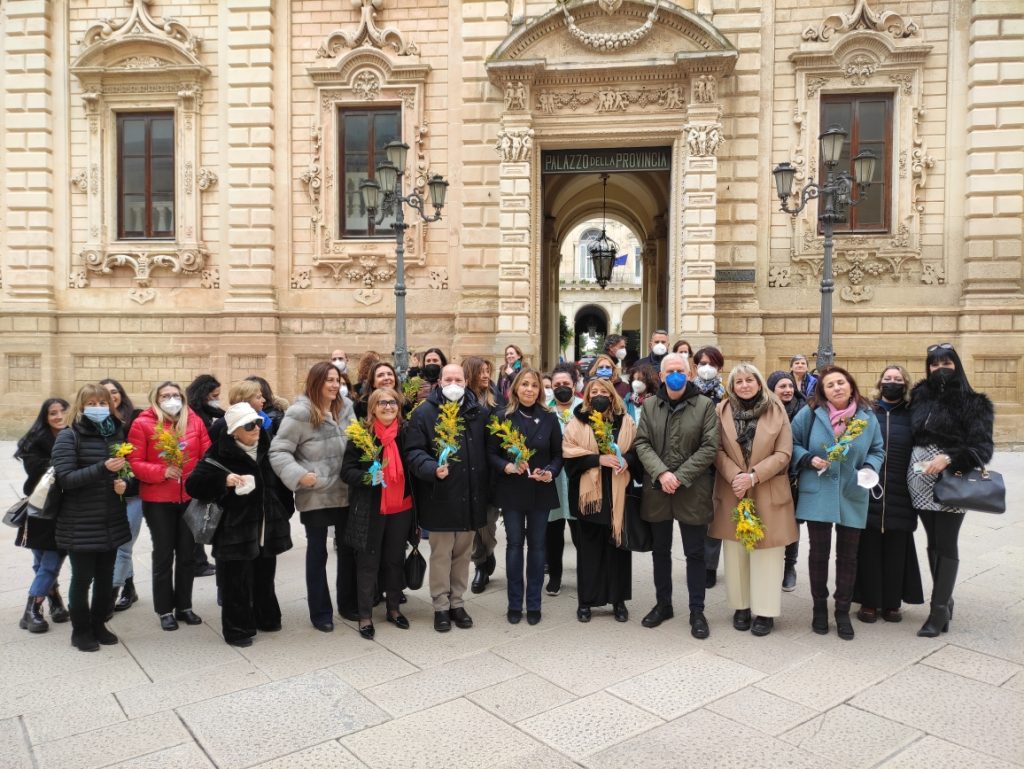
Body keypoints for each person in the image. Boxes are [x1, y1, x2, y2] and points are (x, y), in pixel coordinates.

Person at [186, 403, 292, 647]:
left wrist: (283, 511)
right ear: (234, 431)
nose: (256, 428)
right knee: (236, 581)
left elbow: (279, 483)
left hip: (265, 526)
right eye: (248, 425)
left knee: (265, 574)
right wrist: (223, 481)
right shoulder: (219, 453)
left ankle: (266, 617)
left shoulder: (266, 445)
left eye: (257, 422)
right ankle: (238, 629)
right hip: (234, 530)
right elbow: (193, 485)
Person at [790, 365, 884, 640]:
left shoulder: (867, 417)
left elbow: (878, 449)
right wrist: (807, 458)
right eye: (830, 385)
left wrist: (869, 466)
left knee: (848, 555)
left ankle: (842, 609)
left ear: (851, 385)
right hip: (818, 490)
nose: (836, 388)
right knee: (818, 553)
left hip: (851, 491)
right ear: (823, 391)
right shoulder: (810, 413)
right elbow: (792, 442)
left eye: (841, 382)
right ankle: (819, 608)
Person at [908, 342, 994, 638]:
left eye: (946, 363)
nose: (940, 369)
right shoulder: (918, 396)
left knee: (946, 543)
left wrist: (949, 457)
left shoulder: (974, 402)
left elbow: (983, 448)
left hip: (951, 478)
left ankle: (938, 609)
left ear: (956, 364)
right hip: (918, 480)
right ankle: (946, 600)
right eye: (934, 364)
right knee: (932, 542)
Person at [634, 353, 718, 639]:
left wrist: (679, 476)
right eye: (669, 370)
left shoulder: (705, 406)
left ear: (689, 373)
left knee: (695, 553)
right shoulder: (650, 405)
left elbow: (710, 447)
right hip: (658, 490)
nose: (675, 375)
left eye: (680, 370)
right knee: (661, 552)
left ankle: (697, 610)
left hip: (692, 490)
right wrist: (661, 473)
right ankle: (663, 603)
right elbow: (642, 443)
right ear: (661, 375)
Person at [709, 364, 795, 637]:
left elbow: (784, 452)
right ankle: (741, 607)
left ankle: (765, 612)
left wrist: (754, 476)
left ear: (759, 383)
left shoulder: (776, 409)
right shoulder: (720, 410)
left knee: (767, 551)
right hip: (733, 488)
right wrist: (737, 476)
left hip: (767, 487)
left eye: (750, 380)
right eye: (739, 381)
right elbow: (716, 449)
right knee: (735, 551)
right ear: (732, 386)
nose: (744, 385)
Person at [405, 363, 491, 631]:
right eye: (448, 379)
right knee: (441, 554)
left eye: (458, 379)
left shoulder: (479, 412)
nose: (453, 383)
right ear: (440, 382)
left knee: (463, 554)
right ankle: (440, 605)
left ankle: (457, 601)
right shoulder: (424, 414)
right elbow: (414, 451)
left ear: (466, 382)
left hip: (470, 497)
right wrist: (432, 469)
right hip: (440, 495)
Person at [269, 362, 354, 631]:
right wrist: (300, 475)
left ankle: (349, 604)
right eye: (328, 379)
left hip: (348, 491)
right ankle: (320, 613)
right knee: (318, 553)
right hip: (317, 493)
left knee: (349, 551)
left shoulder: (346, 408)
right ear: (315, 382)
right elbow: (279, 451)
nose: (334, 384)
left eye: (337, 379)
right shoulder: (299, 412)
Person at [51, 384, 132, 651]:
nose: (98, 407)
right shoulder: (69, 436)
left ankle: (99, 624)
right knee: (82, 577)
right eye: (92, 403)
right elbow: (66, 479)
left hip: (111, 516)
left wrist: (122, 483)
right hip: (80, 520)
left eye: (102, 402)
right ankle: (81, 630)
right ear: (81, 405)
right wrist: (102, 468)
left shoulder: (115, 432)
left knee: (106, 577)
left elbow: (122, 472)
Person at [128, 381, 211, 631]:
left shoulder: (194, 421)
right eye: (166, 396)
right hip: (158, 501)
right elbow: (134, 461)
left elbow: (207, 454)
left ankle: (184, 605)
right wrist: (162, 471)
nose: (172, 399)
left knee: (187, 555)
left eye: (176, 395)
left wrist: (200, 476)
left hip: (189, 498)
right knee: (163, 555)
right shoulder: (142, 423)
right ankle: (164, 609)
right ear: (156, 399)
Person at [487, 368, 563, 626]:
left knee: (539, 546)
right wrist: (506, 466)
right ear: (515, 388)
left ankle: (534, 603)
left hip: (540, 490)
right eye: (525, 385)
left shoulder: (549, 418)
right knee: (515, 544)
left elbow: (558, 455)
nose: (529, 389)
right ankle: (514, 603)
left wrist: (550, 472)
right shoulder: (502, 417)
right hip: (512, 491)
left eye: (534, 385)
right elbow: (491, 453)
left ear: (540, 390)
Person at [341, 388, 416, 639]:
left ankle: (393, 609)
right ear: (373, 408)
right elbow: (346, 471)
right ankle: (365, 616)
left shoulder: (405, 434)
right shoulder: (362, 436)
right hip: (372, 510)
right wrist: (367, 477)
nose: (388, 407)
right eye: (382, 403)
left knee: (394, 561)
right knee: (368, 563)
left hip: (401, 508)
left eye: (393, 402)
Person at [562, 377, 637, 623]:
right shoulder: (577, 423)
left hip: (618, 494)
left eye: (602, 391)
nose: (598, 395)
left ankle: (618, 600)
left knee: (618, 549)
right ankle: (587, 601)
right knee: (589, 551)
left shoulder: (625, 422)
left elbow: (637, 451)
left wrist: (627, 460)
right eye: (593, 391)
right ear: (587, 396)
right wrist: (597, 459)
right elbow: (569, 456)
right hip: (589, 497)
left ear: (612, 394)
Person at [853, 365, 923, 624]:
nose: (892, 382)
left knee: (897, 548)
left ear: (905, 384)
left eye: (897, 379)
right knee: (868, 546)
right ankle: (869, 602)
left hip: (902, 490)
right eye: (887, 378)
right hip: (870, 488)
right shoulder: (866, 412)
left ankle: (892, 603)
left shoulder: (913, 414)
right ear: (879, 382)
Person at [14, 398, 71, 633]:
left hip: (65, 510)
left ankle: (39, 607)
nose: (58, 416)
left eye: (62, 411)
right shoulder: (35, 441)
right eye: (52, 413)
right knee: (42, 563)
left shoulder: (76, 436)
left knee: (49, 563)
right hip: (39, 510)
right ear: (45, 417)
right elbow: (37, 471)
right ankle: (46, 603)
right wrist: (66, 461)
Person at [100, 379, 143, 616]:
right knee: (115, 543)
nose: (111, 396)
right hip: (106, 493)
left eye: (114, 391)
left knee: (123, 546)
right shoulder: (96, 423)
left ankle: (110, 595)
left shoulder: (135, 417)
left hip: (133, 493)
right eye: (105, 393)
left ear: (121, 394)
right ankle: (130, 587)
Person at [464, 356, 502, 594]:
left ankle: (487, 553)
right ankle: (480, 563)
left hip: (492, 472)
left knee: (488, 523)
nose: (486, 375)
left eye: (488, 371)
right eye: (481, 372)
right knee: (472, 525)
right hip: (469, 471)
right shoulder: (461, 401)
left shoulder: (497, 399)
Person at [546, 363, 582, 596]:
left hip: (579, 478)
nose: (561, 388)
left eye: (566, 384)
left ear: (574, 385)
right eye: (557, 385)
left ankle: (586, 574)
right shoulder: (545, 410)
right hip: (553, 480)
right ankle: (555, 576)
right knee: (553, 532)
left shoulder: (584, 408)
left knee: (580, 532)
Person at [767, 370, 804, 591]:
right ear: (772, 390)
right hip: (771, 476)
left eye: (790, 386)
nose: (788, 390)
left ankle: (789, 566)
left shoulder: (803, 410)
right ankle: (770, 566)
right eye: (782, 386)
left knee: (793, 524)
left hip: (795, 477)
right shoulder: (766, 410)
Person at [693, 345, 726, 589]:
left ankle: (710, 566)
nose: (707, 368)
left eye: (711, 364)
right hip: (695, 463)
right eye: (702, 363)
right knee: (695, 518)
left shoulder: (727, 395)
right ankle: (695, 562)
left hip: (720, 463)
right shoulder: (687, 392)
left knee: (714, 518)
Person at [185, 374, 222, 577]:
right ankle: (197, 562)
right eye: (214, 395)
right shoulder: (194, 414)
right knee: (196, 517)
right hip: (197, 470)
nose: (217, 399)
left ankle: (199, 561)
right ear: (204, 394)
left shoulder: (206, 411)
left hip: (201, 469)